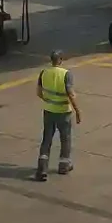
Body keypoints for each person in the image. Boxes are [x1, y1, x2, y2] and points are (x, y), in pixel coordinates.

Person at [34, 50, 81, 182]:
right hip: (63, 112)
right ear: (60, 60)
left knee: (47, 139)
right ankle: (64, 165)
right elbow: (70, 94)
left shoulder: (44, 72)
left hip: (48, 111)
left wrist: (49, 101)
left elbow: (39, 92)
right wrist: (77, 111)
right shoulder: (66, 74)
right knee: (65, 139)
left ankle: (42, 169)